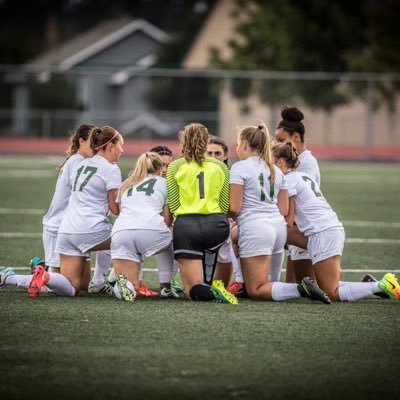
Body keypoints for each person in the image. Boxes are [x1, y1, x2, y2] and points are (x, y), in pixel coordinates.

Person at [272, 140, 400, 302]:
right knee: (325, 285)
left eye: (270, 162)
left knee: (332, 292)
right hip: (329, 229)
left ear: (280, 162)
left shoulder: (288, 181)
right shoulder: (302, 176)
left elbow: (288, 221)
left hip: (323, 234)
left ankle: (382, 285)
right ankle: (370, 285)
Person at [229, 123, 331, 303]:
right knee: (268, 284)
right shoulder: (275, 169)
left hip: (257, 228)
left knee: (256, 290)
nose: (237, 148)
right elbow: (284, 210)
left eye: (238, 144)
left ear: (244, 144)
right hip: (278, 229)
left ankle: (301, 288)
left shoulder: (240, 167)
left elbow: (235, 208)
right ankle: (287, 287)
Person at [27, 126, 124, 298]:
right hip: (84, 229)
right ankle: (126, 283)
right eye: (120, 146)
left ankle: (16, 277)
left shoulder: (81, 163)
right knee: (131, 237)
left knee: (73, 286)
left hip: (67, 229)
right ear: (110, 147)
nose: (122, 150)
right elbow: (115, 209)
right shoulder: (111, 169)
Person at [0, 124, 95, 293]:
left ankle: (39, 270)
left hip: (73, 226)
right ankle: (8, 277)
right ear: (81, 141)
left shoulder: (81, 161)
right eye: (92, 142)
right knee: (58, 288)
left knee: (83, 284)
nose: (96, 147)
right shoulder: (77, 162)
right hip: (58, 226)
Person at [166, 123, 237, 304]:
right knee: (214, 252)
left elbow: (173, 205)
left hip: (187, 226)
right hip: (216, 225)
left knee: (191, 290)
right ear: (206, 141)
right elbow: (224, 204)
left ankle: (211, 291)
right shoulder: (220, 166)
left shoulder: (175, 166)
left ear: (183, 141)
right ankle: (217, 285)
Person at [111, 152, 173, 301]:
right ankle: (167, 284)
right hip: (152, 231)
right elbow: (167, 219)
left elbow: (119, 211)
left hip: (121, 232)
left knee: (133, 285)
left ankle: (124, 285)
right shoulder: (165, 183)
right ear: (160, 168)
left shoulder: (126, 184)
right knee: (179, 234)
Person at [274, 106, 319, 283]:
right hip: (298, 228)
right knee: (294, 286)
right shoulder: (293, 160)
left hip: (304, 228)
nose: (277, 144)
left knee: (319, 287)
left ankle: (371, 286)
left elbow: (296, 199)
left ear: (296, 138)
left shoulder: (306, 164)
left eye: (280, 140)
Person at [206, 136, 235, 287]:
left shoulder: (232, 176)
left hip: (223, 220)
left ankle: (221, 286)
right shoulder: (195, 173)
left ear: (225, 157)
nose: (213, 157)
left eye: (217, 154)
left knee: (227, 244)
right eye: (209, 153)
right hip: (199, 220)